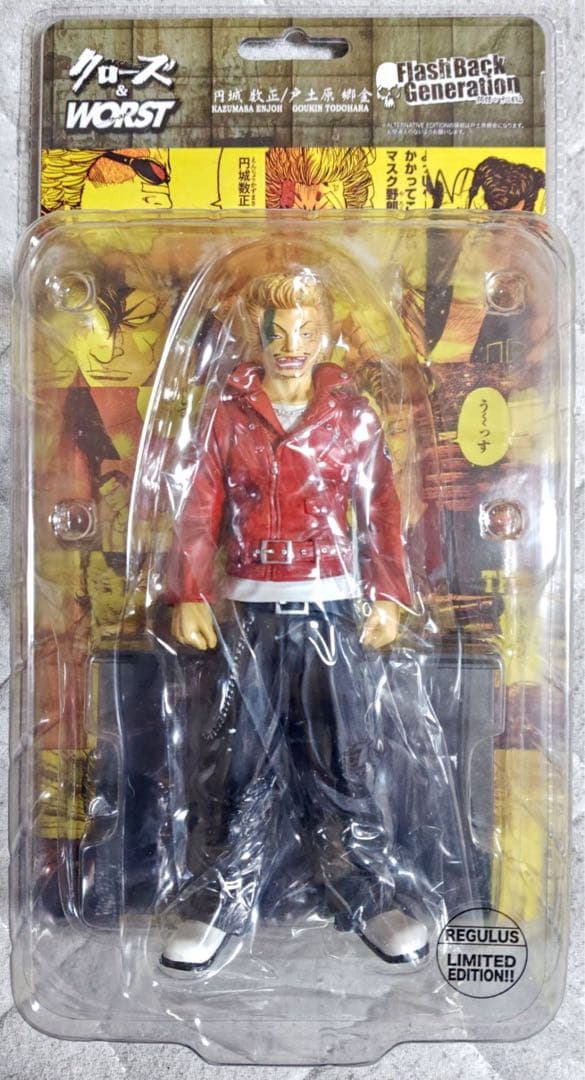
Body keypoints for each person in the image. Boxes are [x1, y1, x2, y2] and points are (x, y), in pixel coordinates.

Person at [160, 269, 429, 972]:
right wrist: (189, 590)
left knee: (342, 754)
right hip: (249, 609)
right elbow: (198, 506)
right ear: (254, 334)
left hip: (329, 605)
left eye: (306, 330)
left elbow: (381, 508)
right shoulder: (226, 415)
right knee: (235, 757)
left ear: (327, 334)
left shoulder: (351, 415)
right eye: (276, 330)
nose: (290, 344)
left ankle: (364, 890)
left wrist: (388, 594)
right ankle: (219, 899)